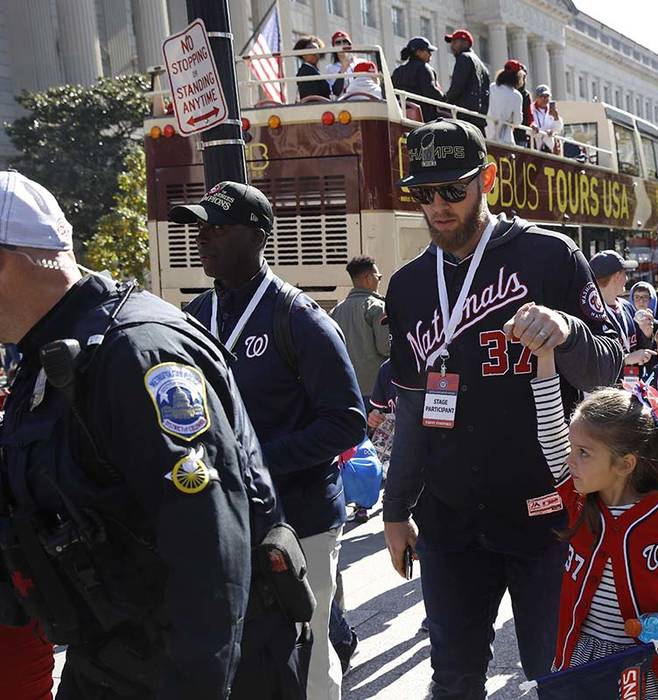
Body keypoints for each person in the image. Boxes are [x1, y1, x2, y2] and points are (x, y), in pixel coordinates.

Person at [0, 172, 306, 697]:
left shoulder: (138, 353)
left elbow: (209, 551)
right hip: (113, 654)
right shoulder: (46, 357)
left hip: (198, 669)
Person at [382, 119, 623, 699]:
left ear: (487, 179)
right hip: (450, 522)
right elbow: (415, 408)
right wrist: (395, 509)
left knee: (562, 676)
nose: (437, 206)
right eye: (423, 192)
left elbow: (609, 366)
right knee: (454, 680)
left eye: (452, 190)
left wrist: (566, 331)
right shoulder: (410, 286)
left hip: (546, 517)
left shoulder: (550, 255)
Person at [171, 181, 367, 700]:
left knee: (311, 657)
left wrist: (253, 463)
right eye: (199, 227)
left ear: (257, 236)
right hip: (227, 520)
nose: (202, 237)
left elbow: (348, 422)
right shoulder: (194, 316)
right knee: (244, 658)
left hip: (302, 522)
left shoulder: (299, 317)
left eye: (217, 227)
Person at [528, 342, 658, 698]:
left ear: (626, 464)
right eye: (571, 449)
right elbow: (549, 434)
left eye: (583, 453)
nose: (569, 461)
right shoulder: (577, 499)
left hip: (656, 665)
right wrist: (544, 354)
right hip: (586, 663)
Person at [330, 255, 390, 403]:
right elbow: (385, 348)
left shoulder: (336, 311)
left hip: (345, 388)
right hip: (375, 390)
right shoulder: (377, 308)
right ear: (368, 278)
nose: (379, 281)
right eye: (379, 277)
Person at [591, 250, 655, 382]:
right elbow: (592, 359)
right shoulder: (592, 313)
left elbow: (641, 347)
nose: (627, 278)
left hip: (633, 385)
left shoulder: (626, 306)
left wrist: (647, 333)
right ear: (616, 276)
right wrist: (626, 359)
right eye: (625, 273)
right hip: (608, 393)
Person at [443, 29, 490, 134]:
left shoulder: (464, 58)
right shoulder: (482, 66)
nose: (451, 46)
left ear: (466, 43)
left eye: (455, 42)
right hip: (479, 119)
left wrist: (444, 101)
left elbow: (456, 87)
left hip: (465, 117)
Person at [391, 36, 443, 122]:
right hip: (425, 118)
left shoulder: (398, 71)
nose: (430, 54)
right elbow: (431, 92)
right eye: (428, 51)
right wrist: (446, 99)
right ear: (418, 52)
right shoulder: (424, 68)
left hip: (402, 117)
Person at [486, 66, 523, 145]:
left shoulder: (491, 87)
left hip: (487, 134)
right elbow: (517, 122)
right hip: (505, 140)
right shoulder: (516, 95)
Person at [294, 36, 332, 101]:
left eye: (316, 49)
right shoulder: (305, 72)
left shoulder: (314, 70)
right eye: (310, 49)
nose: (314, 53)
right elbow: (311, 98)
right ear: (303, 54)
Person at [324, 30, 358, 98]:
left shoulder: (359, 63)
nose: (342, 45)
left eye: (345, 42)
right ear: (334, 47)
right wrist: (342, 70)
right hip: (341, 104)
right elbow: (334, 93)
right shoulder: (330, 69)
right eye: (338, 43)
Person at [531, 85, 563, 153]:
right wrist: (543, 132)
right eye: (542, 96)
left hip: (550, 148)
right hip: (535, 147)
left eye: (547, 96)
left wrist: (556, 118)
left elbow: (558, 129)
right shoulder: (531, 109)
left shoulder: (552, 110)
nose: (545, 99)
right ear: (537, 98)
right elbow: (530, 125)